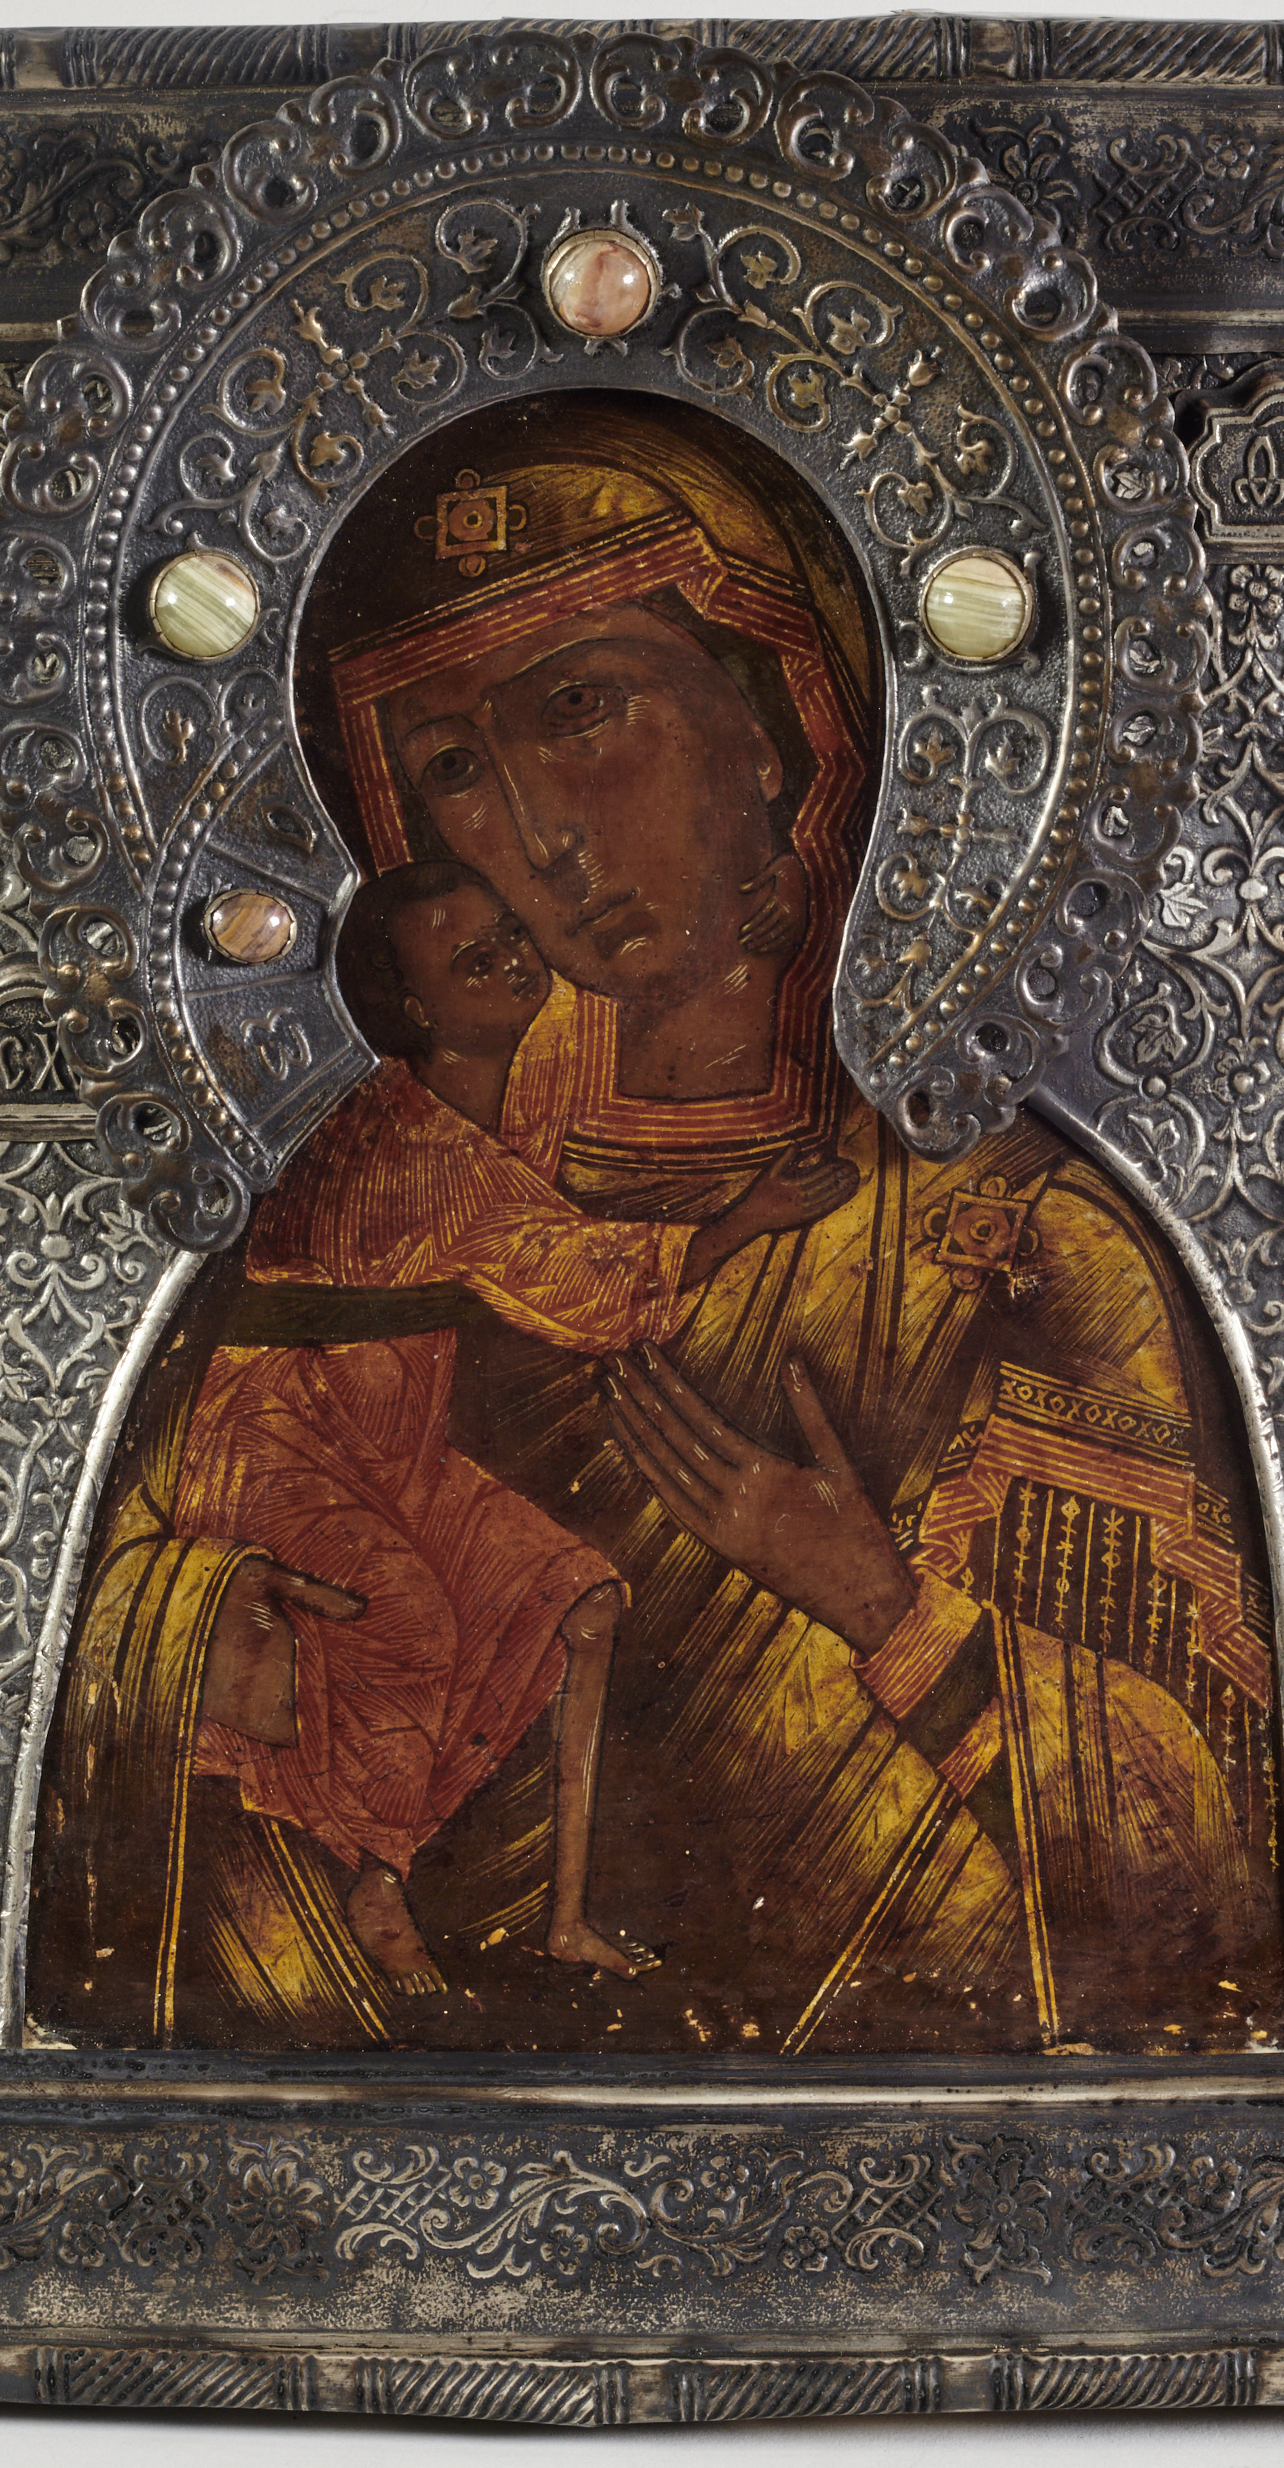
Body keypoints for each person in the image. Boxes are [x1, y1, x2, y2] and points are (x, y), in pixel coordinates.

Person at [26, 397, 1284, 2057]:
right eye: (453, 769)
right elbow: (92, 1674)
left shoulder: (1009, 1244)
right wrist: (198, 1632)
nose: (538, 833)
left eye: (581, 709)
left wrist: (884, 1608)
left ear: (774, 721)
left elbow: (1206, 1896)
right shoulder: (363, 1207)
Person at [175, 854, 857, 1997]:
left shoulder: (513, 1084)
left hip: (388, 1439)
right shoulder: (404, 1144)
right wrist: (750, 1217)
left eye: (505, 933)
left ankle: (566, 1918)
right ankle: (373, 1875)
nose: (507, 959)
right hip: (277, 1439)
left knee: (581, 1599)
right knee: (404, 1618)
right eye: (469, 959)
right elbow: (577, 1280)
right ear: (414, 1007)